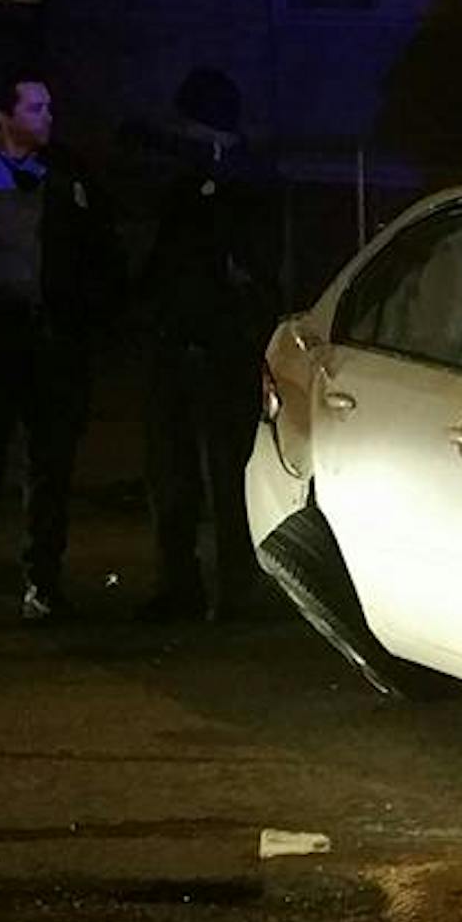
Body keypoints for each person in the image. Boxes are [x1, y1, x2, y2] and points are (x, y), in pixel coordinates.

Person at [0, 70, 122, 629]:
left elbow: (99, 252)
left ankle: (41, 583)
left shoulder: (64, 172)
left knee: (48, 468)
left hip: (46, 339)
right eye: (35, 108)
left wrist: (83, 316)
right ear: (2, 114)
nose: (47, 117)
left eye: (47, 107)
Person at [131, 67, 283, 622]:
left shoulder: (238, 179)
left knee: (212, 469)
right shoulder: (216, 176)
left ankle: (214, 585)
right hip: (198, 337)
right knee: (192, 469)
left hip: (210, 338)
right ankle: (203, 585)